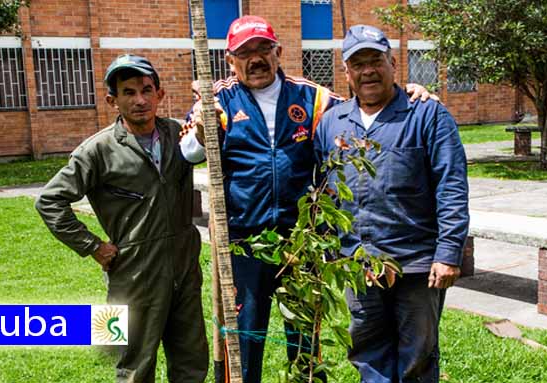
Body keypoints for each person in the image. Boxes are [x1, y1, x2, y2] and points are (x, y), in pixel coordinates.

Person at [181, 15, 435, 383]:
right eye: (245, 53)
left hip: (302, 245)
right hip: (243, 244)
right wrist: (204, 131)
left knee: (303, 339)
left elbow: (362, 102)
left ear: (278, 51)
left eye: (263, 49)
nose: (256, 59)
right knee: (242, 339)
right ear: (230, 60)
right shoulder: (218, 99)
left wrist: (409, 90)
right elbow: (187, 152)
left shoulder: (311, 97)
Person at [35, 54, 208, 383]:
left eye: (146, 89)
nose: (140, 100)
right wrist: (93, 246)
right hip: (133, 275)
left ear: (160, 93)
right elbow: (49, 200)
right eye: (128, 92)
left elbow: (207, 146)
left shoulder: (178, 133)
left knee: (192, 363)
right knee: (134, 368)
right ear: (112, 100)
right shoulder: (97, 150)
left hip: (185, 269)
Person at [314, 25, 469, 383]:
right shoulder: (333, 123)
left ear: (393, 63)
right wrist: (328, 248)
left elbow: (452, 186)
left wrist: (448, 254)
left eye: (375, 60)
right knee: (368, 355)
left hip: (415, 265)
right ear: (347, 72)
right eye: (358, 63)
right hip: (358, 264)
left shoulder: (427, 115)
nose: (368, 70)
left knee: (418, 358)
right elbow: (322, 189)